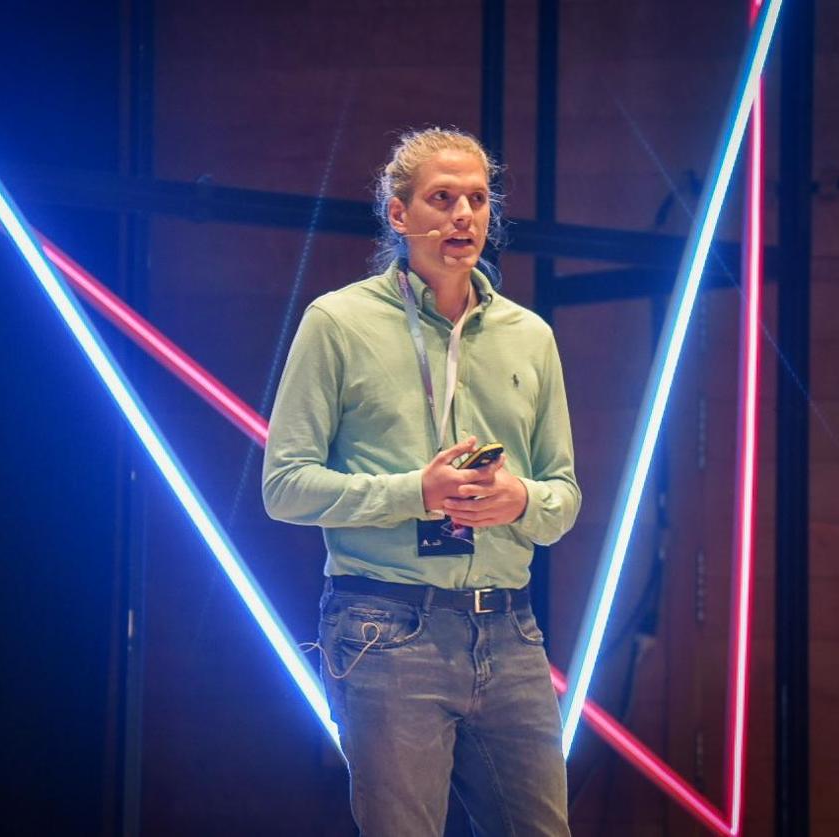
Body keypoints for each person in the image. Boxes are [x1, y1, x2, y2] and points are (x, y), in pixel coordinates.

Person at [262, 127, 580, 836]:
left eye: (476, 199)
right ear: (398, 214)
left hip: (511, 628)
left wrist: (521, 499)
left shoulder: (531, 336)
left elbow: (563, 494)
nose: (464, 214)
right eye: (442, 198)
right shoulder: (338, 323)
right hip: (384, 626)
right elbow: (284, 485)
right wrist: (417, 493)